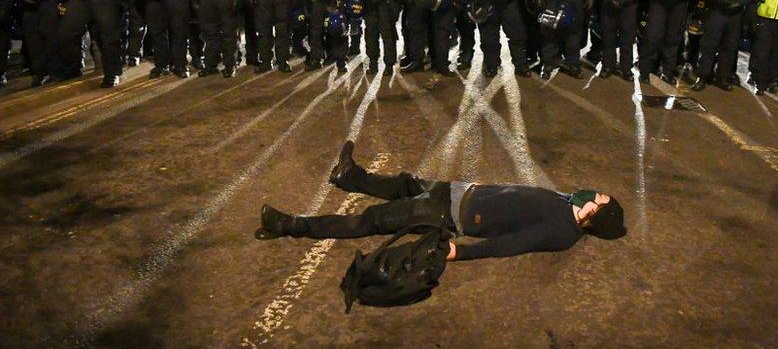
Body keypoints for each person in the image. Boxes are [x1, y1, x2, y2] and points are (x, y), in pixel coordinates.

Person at [256, 141, 626, 260]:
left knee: (372, 220)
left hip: (451, 213)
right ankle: (350, 176)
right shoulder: (567, 206)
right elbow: (519, 199)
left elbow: (512, 244)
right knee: (405, 183)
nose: (593, 193)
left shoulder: (563, 231)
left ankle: (289, 226)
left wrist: (458, 252)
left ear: (594, 215)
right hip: (462, 192)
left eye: (598, 199)